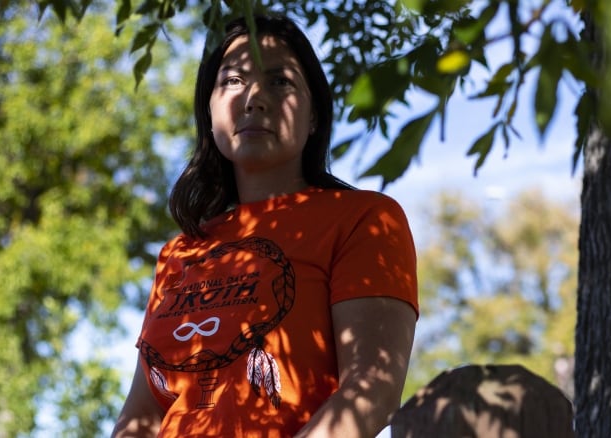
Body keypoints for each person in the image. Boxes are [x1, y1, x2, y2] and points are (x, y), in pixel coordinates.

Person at [112, 13, 418, 438]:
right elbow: (142, 413)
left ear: (313, 116)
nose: (254, 97)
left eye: (280, 82)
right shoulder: (180, 252)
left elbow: (373, 389)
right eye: (233, 80)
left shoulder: (364, 219)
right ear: (210, 109)